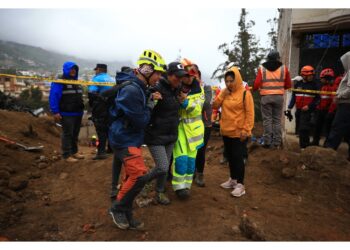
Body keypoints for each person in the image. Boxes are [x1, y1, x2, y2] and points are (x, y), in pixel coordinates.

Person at [108, 49, 166, 230]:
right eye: (157, 73)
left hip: (130, 137)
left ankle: (127, 212)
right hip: (124, 138)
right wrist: (151, 104)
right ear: (147, 70)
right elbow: (141, 120)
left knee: (130, 177)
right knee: (139, 175)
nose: (159, 78)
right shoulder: (132, 90)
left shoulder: (140, 88)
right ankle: (117, 208)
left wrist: (148, 99)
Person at [144, 61, 187, 204]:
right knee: (162, 166)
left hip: (170, 134)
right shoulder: (156, 88)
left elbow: (173, 108)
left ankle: (160, 192)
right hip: (155, 135)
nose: (179, 80)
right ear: (168, 75)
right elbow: (143, 104)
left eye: (181, 77)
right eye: (177, 77)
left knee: (165, 166)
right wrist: (151, 99)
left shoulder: (178, 89)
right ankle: (140, 182)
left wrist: (182, 101)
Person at [213, 66, 254, 197]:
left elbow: (250, 113)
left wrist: (246, 130)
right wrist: (222, 94)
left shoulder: (245, 93)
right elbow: (215, 105)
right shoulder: (225, 92)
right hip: (226, 131)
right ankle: (233, 180)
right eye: (227, 81)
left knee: (238, 158)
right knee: (230, 157)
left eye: (231, 81)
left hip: (239, 133)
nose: (229, 83)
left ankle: (241, 185)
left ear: (237, 79)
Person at [171, 58, 205, 199]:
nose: (190, 78)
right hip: (179, 129)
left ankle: (187, 185)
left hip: (194, 132)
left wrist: (184, 102)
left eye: (192, 75)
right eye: (187, 75)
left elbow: (197, 109)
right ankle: (179, 188)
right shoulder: (174, 88)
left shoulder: (199, 89)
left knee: (191, 162)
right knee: (181, 159)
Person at [253, 50, 291, 149]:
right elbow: (288, 85)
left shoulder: (262, 68)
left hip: (266, 97)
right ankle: (277, 142)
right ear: (278, 58)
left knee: (267, 120)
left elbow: (256, 84)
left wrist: (255, 89)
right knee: (277, 120)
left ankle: (267, 142)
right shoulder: (284, 68)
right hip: (278, 97)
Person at [49, 61, 84, 163]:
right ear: (66, 70)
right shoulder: (59, 82)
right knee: (68, 134)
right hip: (66, 113)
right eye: (71, 69)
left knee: (75, 134)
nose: (73, 71)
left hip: (78, 113)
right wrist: (55, 111)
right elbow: (54, 96)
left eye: (75, 69)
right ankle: (66, 154)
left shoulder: (77, 82)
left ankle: (74, 152)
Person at [324, 51, 350, 161]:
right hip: (346, 104)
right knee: (348, 131)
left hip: (346, 104)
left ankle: (329, 152)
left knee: (337, 127)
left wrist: (339, 96)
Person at [287, 65, 320, 149]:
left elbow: (318, 99)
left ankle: (304, 147)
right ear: (303, 75)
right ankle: (304, 146)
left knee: (304, 129)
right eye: (309, 75)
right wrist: (289, 108)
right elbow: (294, 97)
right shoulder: (298, 84)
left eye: (312, 75)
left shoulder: (315, 85)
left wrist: (309, 106)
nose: (311, 77)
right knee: (300, 130)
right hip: (298, 110)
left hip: (308, 111)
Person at [88, 63, 115, 160]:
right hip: (111, 107)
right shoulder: (112, 79)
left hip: (100, 107)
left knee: (101, 129)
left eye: (96, 70)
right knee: (109, 128)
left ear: (98, 69)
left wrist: (92, 105)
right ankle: (111, 149)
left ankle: (101, 152)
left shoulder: (97, 79)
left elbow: (91, 93)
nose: (95, 71)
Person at [194, 70, 213, 187]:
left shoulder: (206, 88)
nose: (192, 77)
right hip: (191, 124)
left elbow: (206, 103)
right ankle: (191, 171)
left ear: (199, 76)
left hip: (205, 124)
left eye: (194, 75)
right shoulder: (187, 89)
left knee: (201, 150)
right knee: (191, 150)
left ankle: (200, 173)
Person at [311, 68, 335, 146]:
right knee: (317, 126)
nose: (321, 80)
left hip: (328, 111)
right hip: (320, 110)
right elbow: (320, 98)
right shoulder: (322, 87)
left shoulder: (332, 88)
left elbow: (333, 101)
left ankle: (327, 143)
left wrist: (330, 111)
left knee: (328, 128)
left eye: (322, 78)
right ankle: (315, 141)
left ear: (327, 79)